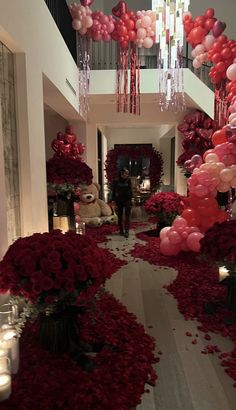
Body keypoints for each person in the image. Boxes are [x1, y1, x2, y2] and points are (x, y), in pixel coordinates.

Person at [111, 168, 132, 238]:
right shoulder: (116, 181)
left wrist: (131, 199)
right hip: (119, 200)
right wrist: (113, 200)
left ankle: (127, 231)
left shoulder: (128, 180)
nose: (127, 175)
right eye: (126, 173)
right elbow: (113, 191)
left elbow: (130, 189)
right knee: (119, 215)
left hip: (127, 200)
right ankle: (121, 230)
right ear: (121, 173)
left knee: (127, 215)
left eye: (127, 174)